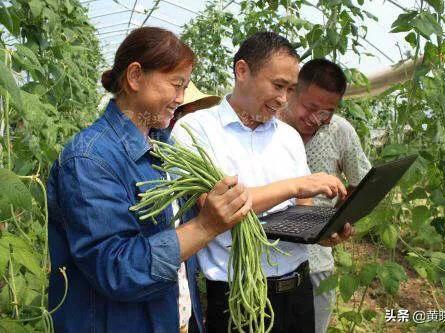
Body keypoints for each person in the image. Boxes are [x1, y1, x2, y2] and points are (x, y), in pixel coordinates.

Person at [47, 27, 251, 333]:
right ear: (135, 77)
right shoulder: (89, 159)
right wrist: (206, 225)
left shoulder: (163, 147)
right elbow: (115, 269)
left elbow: (176, 246)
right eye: (176, 85)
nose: (180, 98)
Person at [171, 32, 353, 333]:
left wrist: (322, 234)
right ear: (242, 71)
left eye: (291, 89)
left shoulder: (288, 137)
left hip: (297, 291)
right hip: (239, 299)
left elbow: (301, 213)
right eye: (278, 85)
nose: (283, 99)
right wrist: (297, 184)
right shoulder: (195, 130)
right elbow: (218, 206)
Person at [278, 58, 372, 333]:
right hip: (269, 262)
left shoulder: (340, 131)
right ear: (293, 91)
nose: (316, 118)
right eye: (310, 107)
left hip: (317, 262)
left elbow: (361, 181)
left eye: (327, 111)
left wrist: (340, 217)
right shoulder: (270, 126)